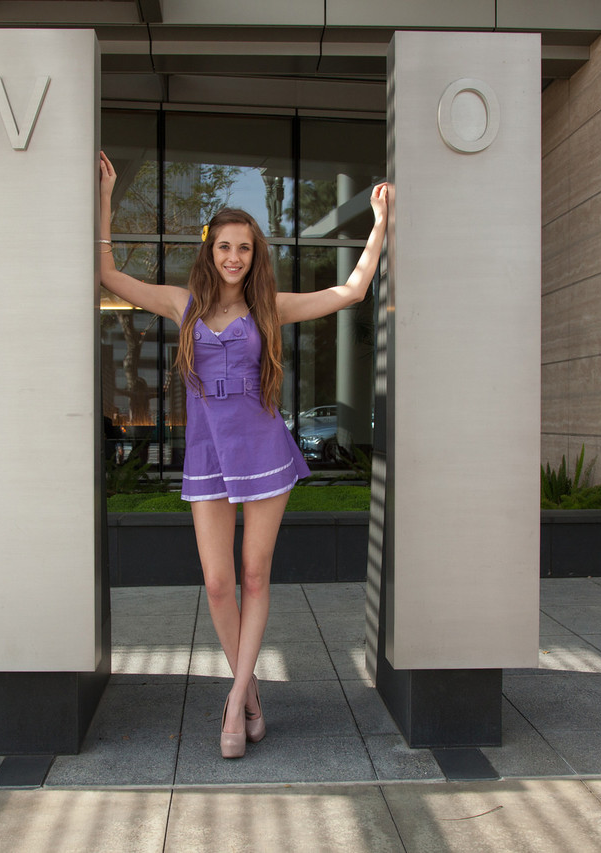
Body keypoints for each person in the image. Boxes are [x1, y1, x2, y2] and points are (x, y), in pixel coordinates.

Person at [97, 151, 390, 758]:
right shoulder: (183, 305)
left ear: (255, 256)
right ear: (210, 252)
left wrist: (379, 224)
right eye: (225, 247)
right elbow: (110, 277)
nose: (234, 257)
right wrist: (104, 198)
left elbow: (352, 290)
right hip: (207, 455)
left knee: (255, 576)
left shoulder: (267, 309)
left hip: (263, 452)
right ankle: (251, 690)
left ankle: (235, 702)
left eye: (245, 249)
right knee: (217, 582)